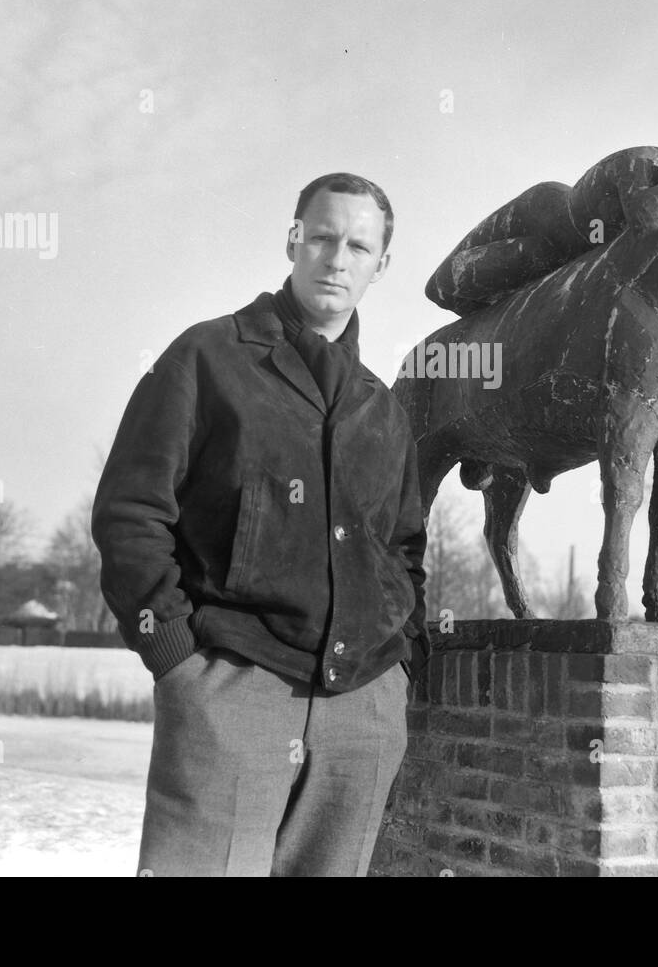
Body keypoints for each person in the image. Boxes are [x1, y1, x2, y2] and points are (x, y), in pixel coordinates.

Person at [91, 172, 431, 877]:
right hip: (231, 692)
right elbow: (131, 511)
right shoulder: (207, 358)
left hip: (361, 712)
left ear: (381, 266)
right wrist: (178, 660)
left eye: (360, 247)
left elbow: (402, 547)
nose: (338, 258)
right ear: (293, 240)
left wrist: (401, 670)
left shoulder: (383, 407)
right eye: (324, 236)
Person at [425, 91, 658, 316]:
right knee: (446, 285)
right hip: (542, 216)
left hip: (567, 252)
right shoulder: (642, 160)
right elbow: (645, 216)